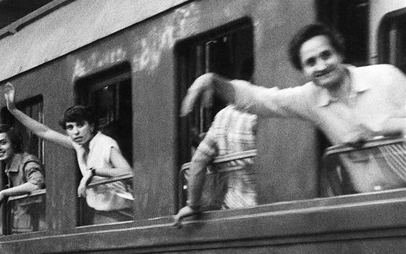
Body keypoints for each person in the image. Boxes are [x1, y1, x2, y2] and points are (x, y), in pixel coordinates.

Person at [180, 23, 406, 191]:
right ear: (303, 71)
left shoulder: (386, 77)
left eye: (326, 55)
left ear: (340, 54)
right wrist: (214, 81)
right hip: (371, 207)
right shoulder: (311, 97)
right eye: (311, 62)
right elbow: (262, 100)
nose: (321, 66)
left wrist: (383, 130)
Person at [4, 83, 134, 219]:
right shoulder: (78, 145)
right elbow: (44, 131)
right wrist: (13, 110)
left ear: (91, 126)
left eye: (80, 125)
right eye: (70, 127)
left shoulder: (105, 143)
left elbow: (128, 172)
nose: (76, 132)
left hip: (122, 213)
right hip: (102, 213)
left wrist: (94, 172)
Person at [173, 59, 258, 227]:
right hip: (263, 209)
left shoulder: (222, 117)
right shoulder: (258, 117)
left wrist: (193, 205)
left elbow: (198, 161)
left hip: (233, 210)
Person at [0, 124, 45, 216]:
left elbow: (36, 184)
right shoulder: (9, 167)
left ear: (14, 144)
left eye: (3, 143)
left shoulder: (27, 161)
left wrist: (3, 193)